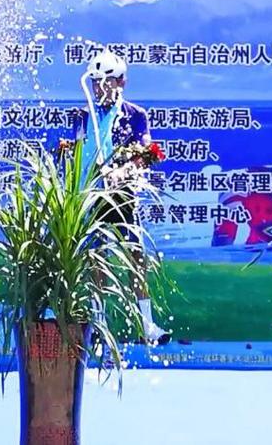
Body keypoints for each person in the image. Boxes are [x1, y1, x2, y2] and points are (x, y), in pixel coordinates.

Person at [60, 49, 171, 344]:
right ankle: (98, 324)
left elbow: (147, 153)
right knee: (97, 258)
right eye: (94, 82)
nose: (98, 88)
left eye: (104, 81)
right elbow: (76, 153)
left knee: (136, 256)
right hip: (90, 196)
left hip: (122, 196)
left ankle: (147, 324)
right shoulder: (83, 116)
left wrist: (123, 171)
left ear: (121, 82)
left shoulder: (135, 115)